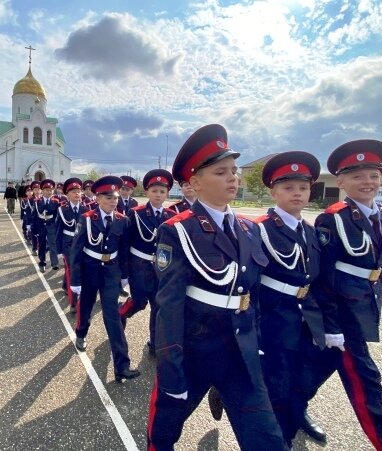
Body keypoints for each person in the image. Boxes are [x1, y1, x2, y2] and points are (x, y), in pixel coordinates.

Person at [147, 124, 285, 450]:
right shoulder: (178, 231)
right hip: (195, 352)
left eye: (234, 171)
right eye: (221, 172)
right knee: (165, 430)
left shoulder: (249, 230)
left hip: (241, 355)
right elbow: (168, 308)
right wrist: (170, 372)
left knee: (268, 438)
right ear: (194, 182)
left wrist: (260, 342)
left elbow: (253, 295)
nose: (233, 178)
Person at [305, 140, 382, 450]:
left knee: (312, 368)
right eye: (357, 176)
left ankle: (292, 406)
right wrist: (333, 325)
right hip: (342, 316)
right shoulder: (332, 219)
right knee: (367, 383)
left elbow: (378, 269)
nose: (367, 183)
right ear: (340, 182)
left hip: (363, 309)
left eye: (373, 175)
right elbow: (323, 278)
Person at [253, 152, 326, 448]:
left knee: (304, 375)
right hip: (272, 316)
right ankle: (281, 437)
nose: (297, 193)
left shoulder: (311, 231)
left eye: (303, 188)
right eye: (288, 188)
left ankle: (296, 415)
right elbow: (250, 281)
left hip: (306, 318)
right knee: (278, 383)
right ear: (273, 192)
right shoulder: (259, 228)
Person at [69, 176, 140, 383]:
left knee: (113, 316)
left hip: (111, 273)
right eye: (108, 197)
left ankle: (122, 366)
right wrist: (76, 279)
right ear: (98, 198)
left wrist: (125, 275)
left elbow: (124, 250)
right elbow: (76, 250)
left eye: (115, 197)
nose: (113, 201)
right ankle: (81, 333)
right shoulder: (87, 218)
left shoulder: (122, 220)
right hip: (90, 270)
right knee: (86, 307)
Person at [118, 169, 176, 356]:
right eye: (154, 191)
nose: (158, 195)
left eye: (162, 192)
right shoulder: (136, 213)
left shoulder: (171, 216)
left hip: (161, 269)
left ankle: (154, 342)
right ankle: (121, 313)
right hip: (139, 268)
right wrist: (124, 273)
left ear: (167, 193)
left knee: (158, 307)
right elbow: (125, 243)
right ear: (147, 192)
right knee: (139, 302)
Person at [55, 178, 90, 312]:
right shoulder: (62, 209)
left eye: (79, 191)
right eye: (74, 192)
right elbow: (58, 232)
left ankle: (65, 285)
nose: (77, 194)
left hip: (82, 244)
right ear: (67, 194)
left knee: (77, 269)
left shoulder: (86, 209)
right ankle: (74, 303)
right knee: (72, 271)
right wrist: (58, 251)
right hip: (68, 244)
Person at [32, 179, 60, 272]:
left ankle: (54, 263)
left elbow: (57, 216)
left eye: (51, 190)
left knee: (53, 244)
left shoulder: (56, 202)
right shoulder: (37, 202)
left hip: (51, 226)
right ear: (42, 191)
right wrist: (34, 229)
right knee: (42, 245)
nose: (49, 192)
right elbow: (34, 217)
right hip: (41, 227)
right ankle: (42, 263)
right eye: (47, 190)